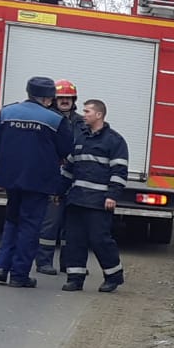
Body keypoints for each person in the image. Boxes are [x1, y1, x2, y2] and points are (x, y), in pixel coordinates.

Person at [0, 76, 72, 287]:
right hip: (39, 181)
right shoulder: (55, 120)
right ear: (48, 98)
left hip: (10, 178)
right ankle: (19, 274)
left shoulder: (6, 113)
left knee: (12, 220)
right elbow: (65, 149)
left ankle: (1, 266)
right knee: (30, 226)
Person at [60, 98, 129, 293]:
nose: (84, 114)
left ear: (99, 115)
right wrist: (59, 191)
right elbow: (69, 169)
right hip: (76, 200)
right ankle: (75, 278)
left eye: (87, 111)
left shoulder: (114, 141)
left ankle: (113, 276)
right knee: (74, 240)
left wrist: (112, 195)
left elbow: (119, 172)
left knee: (100, 240)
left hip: (99, 202)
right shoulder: (80, 138)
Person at [36, 80, 83, 274]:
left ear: (74, 100)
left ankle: (68, 264)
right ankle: (44, 262)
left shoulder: (82, 122)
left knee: (71, 225)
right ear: (55, 99)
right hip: (54, 178)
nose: (65, 101)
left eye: (68, 98)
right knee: (50, 222)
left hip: (75, 178)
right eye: (61, 97)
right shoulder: (47, 118)